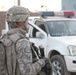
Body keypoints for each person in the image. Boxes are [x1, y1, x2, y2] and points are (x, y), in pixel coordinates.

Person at [0, 6, 46, 75]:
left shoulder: (4, 38)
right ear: (21, 21)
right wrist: (42, 62)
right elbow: (27, 72)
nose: (28, 22)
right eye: (27, 19)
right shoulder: (22, 42)